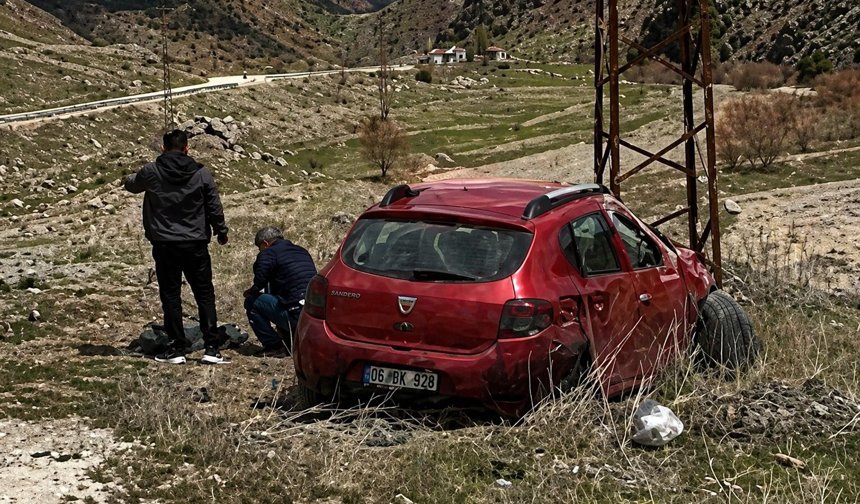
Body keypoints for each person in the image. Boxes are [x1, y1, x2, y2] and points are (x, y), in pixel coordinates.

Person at [124, 129, 230, 365]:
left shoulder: (151, 171)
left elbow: (132, 185)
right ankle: (212, 348)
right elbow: (214, 204)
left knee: (171, 295)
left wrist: (128, 177)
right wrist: (221, 231)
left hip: (165, 244)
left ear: (163, 148)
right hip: (195, 243)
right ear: (187, 148)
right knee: (204, 293)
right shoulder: (201, 173)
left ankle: (177, 347)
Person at [244, 227, 317, 356]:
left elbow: (260, 281)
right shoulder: (301, 251)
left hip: (294, 316)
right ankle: (291, 340)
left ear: (265, 243)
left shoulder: (268, 253)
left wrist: (251, 291)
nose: (260, 251)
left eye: (259, 248)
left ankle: (274, 346)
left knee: (251, 301)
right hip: (313, 316)